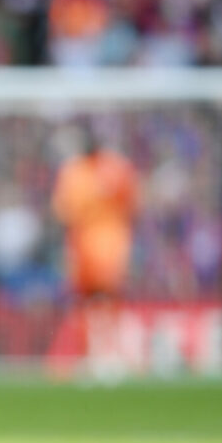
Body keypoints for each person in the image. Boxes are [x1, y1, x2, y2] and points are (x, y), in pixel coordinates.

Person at [50, 124, 138, 375]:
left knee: (96, 303)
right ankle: (98, 355)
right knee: (97, 303)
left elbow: (62, 211)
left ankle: (102, 355)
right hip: (102, 247)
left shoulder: (76, 172)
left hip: (98, 247)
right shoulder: (108, 168)